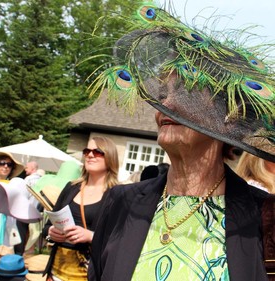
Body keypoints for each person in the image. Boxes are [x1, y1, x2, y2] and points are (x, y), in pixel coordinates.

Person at [87, 2, 274, 280]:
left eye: (187, 93)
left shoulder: (266, 216)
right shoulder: (120, 202)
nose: (166, 102)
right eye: (163, 93)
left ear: (229, 118)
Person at [42, 136, 119, 280]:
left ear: (110, 157)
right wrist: (51, 232)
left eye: (97, 152)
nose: (90, 155)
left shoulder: (117, 195)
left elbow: (120, 239)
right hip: (56, 272)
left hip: (88, 273)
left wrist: (90, 236)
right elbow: (47, 227)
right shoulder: (71, 187)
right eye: (87, 151)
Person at [14, 161, 42, 256]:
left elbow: (22, 195)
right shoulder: (42, 180)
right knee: (31, 235)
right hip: (37, 211)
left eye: (27, 168)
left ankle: (18, 253)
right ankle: (29, 255)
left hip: (25, 210)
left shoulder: (28, 179)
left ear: (33, 169)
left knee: (21, 231)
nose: (25, 169)